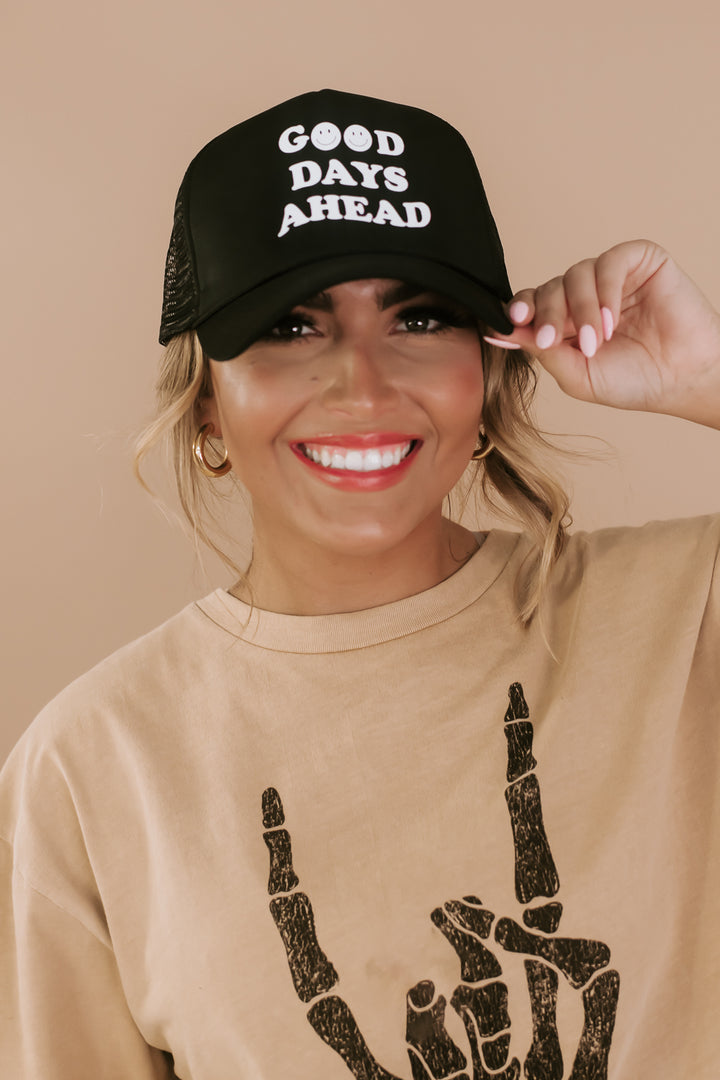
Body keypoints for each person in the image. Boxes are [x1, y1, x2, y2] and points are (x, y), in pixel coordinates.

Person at [1, 89, 719, 1080]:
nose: (365, 385)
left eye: (419, 316)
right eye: (292, 326)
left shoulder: (687, 616)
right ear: (207, 404)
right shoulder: (90, 770)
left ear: (488, 370)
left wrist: (711, 374)